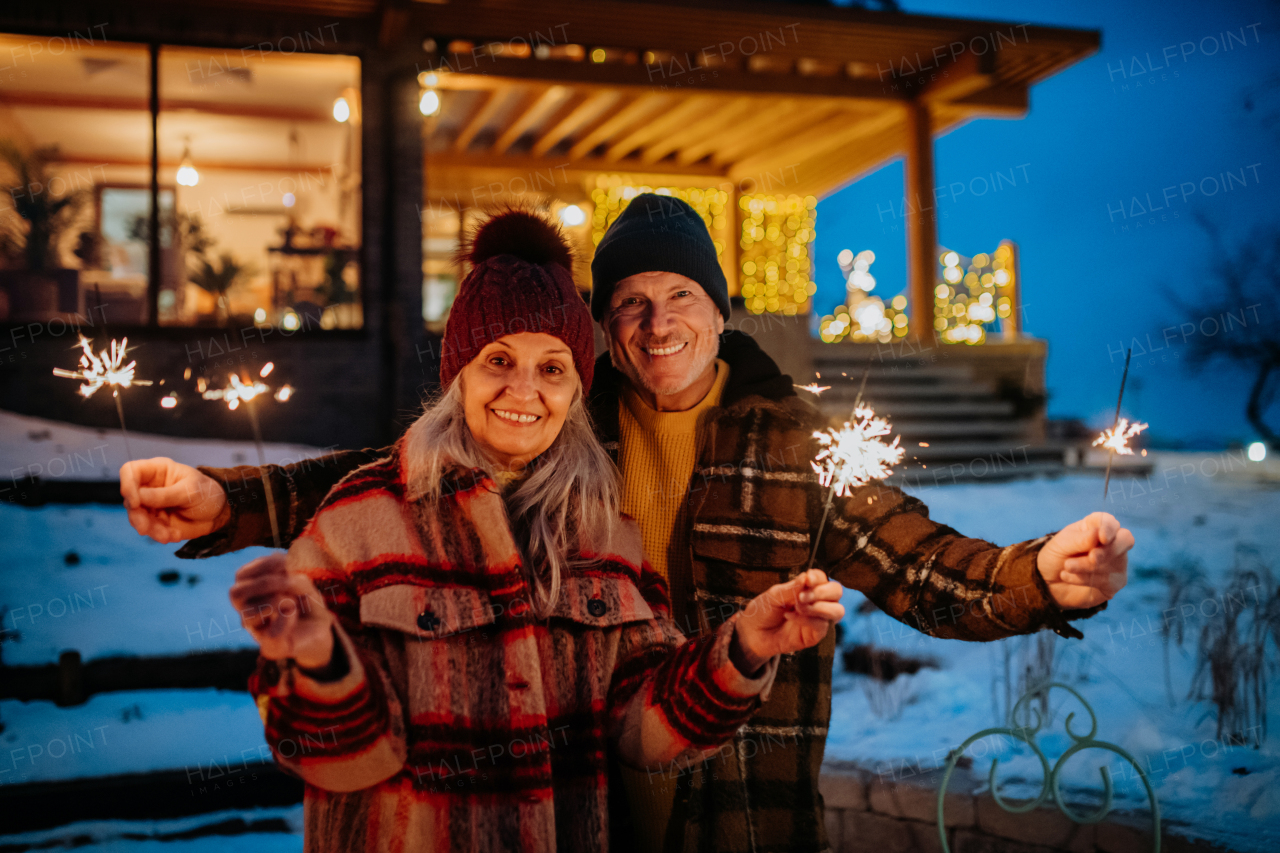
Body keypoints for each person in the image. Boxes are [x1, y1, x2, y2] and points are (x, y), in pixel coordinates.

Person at [123, 194, 1133, 853]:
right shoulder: (565, 421)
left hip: (738, 815)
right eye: (630, 303)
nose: (657, 324)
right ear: (602, 327)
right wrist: (231, 501)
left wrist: (1039, 570)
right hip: (588, 813)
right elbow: (394, 484)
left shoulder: (791, 444)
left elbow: (922, 565)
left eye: (679, 294)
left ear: (718, 305)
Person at [224, 209, 845, 852]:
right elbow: (344, 762)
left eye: (552, 368)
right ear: (458, 373)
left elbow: (641, 728)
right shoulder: (359, 520)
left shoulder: (604, 533)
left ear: (577, 388)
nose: (524, 389)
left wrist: (743, 648)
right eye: (498, 359)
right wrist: (317, 659)